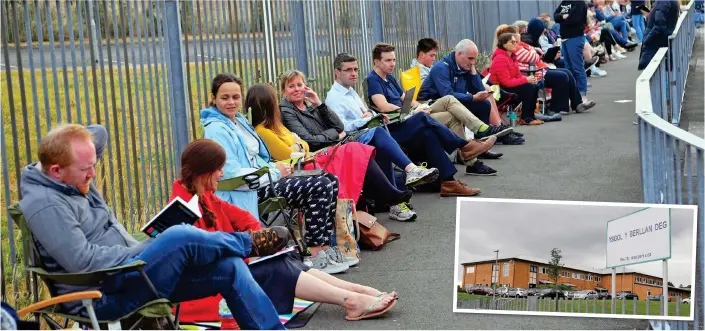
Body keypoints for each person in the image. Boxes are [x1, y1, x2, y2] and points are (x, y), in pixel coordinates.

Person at [18, 123, 288, 330]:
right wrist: (142, 251)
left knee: (230, 267)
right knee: (179, 235)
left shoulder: (67, 176)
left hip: (131, 274)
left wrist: (69, 142)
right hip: (105, 293)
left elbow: (97, 132)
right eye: (86, 168)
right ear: (55, 170)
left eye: (93, 164)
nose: (93, 174)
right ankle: (247, 242)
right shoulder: (46, 205)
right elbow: (81, 261)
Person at [170, 139, 398, 323]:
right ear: (204, 172)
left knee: (284, 257)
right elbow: (204, 256)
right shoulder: (182, 208)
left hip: (227, 268)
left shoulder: (205, 196)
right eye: (218, 170)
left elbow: (245, 219)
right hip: (207, 288)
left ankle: (357, 291)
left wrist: (261, 241)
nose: (222, 174)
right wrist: (251, 247)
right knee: (276, 267)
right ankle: (351, 301)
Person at [202, 73, 347, 274]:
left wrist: (277, 169)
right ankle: (315, 254)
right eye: (225, 98)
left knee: (330, 179)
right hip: (245, 191)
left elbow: (259, 158)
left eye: (235, 97)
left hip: (263, 180)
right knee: (319, 185)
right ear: (213, 98)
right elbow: (232, 174)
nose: (231, 102)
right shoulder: (217, 130)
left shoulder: (238, 121)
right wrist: (275, 172)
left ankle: (323, 248)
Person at [249, 81, 419, 222]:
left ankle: (389, 194)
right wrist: (305, 143)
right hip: (305, 165)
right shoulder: (269, 126)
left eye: (300, 84)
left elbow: (336, 128)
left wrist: (319, 104)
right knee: (358, 148)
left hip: (318, 153)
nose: (298, 89)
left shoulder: (293, 116)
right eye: (291, 86)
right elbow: (303, 145)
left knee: (365, 147)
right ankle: (391, 194)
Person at [366, 43, 497, 196]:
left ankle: (449, 182)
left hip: (405, 118)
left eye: (393, 60)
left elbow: (405, 99)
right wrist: (413, 110)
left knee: (432, 132)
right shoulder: (373, 79)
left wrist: (419, 106)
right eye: (388, 60)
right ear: (376, 61)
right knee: (425, 117)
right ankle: (465, 147)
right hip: (394, 127)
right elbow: (383, 107)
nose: (392, 64)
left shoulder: (389, 78)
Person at [417, 39, 527, 147]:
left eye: (474, 59)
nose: (472, 62)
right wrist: (472, 97)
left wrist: (473, 72)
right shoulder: (441, 67)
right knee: (472, 100)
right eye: (470, 58)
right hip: (432, 104)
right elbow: (447, 94)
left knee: (483, 104)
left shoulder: (464, 66)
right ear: (459, 54)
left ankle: (483, 142)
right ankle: (487, 131)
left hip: (453, 103)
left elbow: (479, 90)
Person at [516, 21, 597, 115]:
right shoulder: (521, 45)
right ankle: (556, 108)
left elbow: (534, 56)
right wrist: (537, 52)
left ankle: (577, 104)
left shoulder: (522, 44)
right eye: (515, 37)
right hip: (533, 73)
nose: (518, 37)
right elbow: (533, 57)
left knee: (567, 72)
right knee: (562, 76)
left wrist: (537, 52)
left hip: (538, 68)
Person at [489, 33, 543, 126]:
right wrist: (526, 80)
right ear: (504, 44)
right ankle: (526, 118)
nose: (515, 44)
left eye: (516, 42)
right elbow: (506, 83)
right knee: (529, 88)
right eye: (512, 42)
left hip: (507, 87)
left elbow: (518, 76)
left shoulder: (512, 57)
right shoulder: (500, 59)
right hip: (499, 91)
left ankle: (530, 116)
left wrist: (528, 79)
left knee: (534, 86)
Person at [554, 0, 590, 98]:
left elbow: (575, 19)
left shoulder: (579, 3)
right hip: (564, 38)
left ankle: (582, 94)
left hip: (575, 37)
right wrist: (562, 17)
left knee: (577, 67)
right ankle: (573, 94)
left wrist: (562, 18)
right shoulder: (565, 2)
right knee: (568, 68)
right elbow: (555, 16)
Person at [638, 0, 680, 71]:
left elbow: (659, 25)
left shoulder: (663, 1)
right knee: (661, 72)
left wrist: (647, 40)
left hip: (656, 43)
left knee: (656, 73)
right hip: (660, 41)